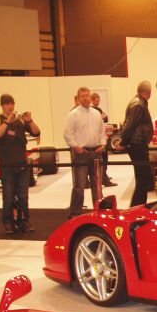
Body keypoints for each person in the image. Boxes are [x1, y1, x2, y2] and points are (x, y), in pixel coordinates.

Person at [0, 93, 40, 233]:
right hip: (6, 165)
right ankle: (8, 222)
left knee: (23, 195)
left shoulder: (20, 121)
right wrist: (7, 121)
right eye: (7, 104)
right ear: (2, 105)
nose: (10, 106)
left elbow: (36, 132)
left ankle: (24, 220)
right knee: (8, 195)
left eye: (12, 103)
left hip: (22, 164)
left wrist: (29, 121)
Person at [63, 87, 106, 219]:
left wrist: (103, 144)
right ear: (78, 98)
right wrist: (76, 147)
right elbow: (67, 134)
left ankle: (99, 212)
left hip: (96, 153)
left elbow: (102, 132)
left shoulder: (96, 113)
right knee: (79, 186)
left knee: (97, 186)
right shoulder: (73, 114)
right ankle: (75, 214)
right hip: (81, 153)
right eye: (83, 96)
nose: (86, 98)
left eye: (87, 95)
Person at [122, 80, 154, 207]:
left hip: (136, 143)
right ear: (148, 92)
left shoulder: (135, 102)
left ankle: (138, 206)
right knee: (143, 179)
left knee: (142, 178)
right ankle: (137, 207)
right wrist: (124, 142)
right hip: (137, 144)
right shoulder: (139, 105)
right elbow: (130, 125)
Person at [90, 92, 116, 187]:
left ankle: (103, 177)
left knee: (103, 159)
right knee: (103, 159)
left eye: (99, 99)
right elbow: (104, 118)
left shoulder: (97, 109)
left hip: (99, 137)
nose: (98, 101)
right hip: (97, 139)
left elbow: (106, 119)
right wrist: (101, 117)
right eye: (97, 100)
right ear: (93, 100)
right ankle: (103, 178)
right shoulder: (94, 110)